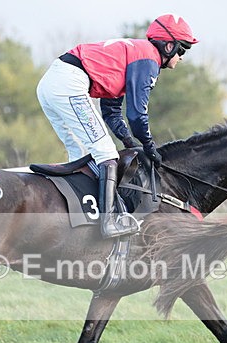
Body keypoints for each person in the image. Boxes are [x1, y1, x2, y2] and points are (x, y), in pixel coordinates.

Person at [37, 13, 198, 238]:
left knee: (81, 155)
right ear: (169, 45)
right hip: (69, 84)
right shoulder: (148, 59)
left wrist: (128, 141)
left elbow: (111, 111)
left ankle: (75, 220)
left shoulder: (136, 53)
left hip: (51, 83)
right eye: (182, 50)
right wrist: (149, 146)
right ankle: (108, 221)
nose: (181, 57)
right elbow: (136, 114)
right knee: (106, 154)